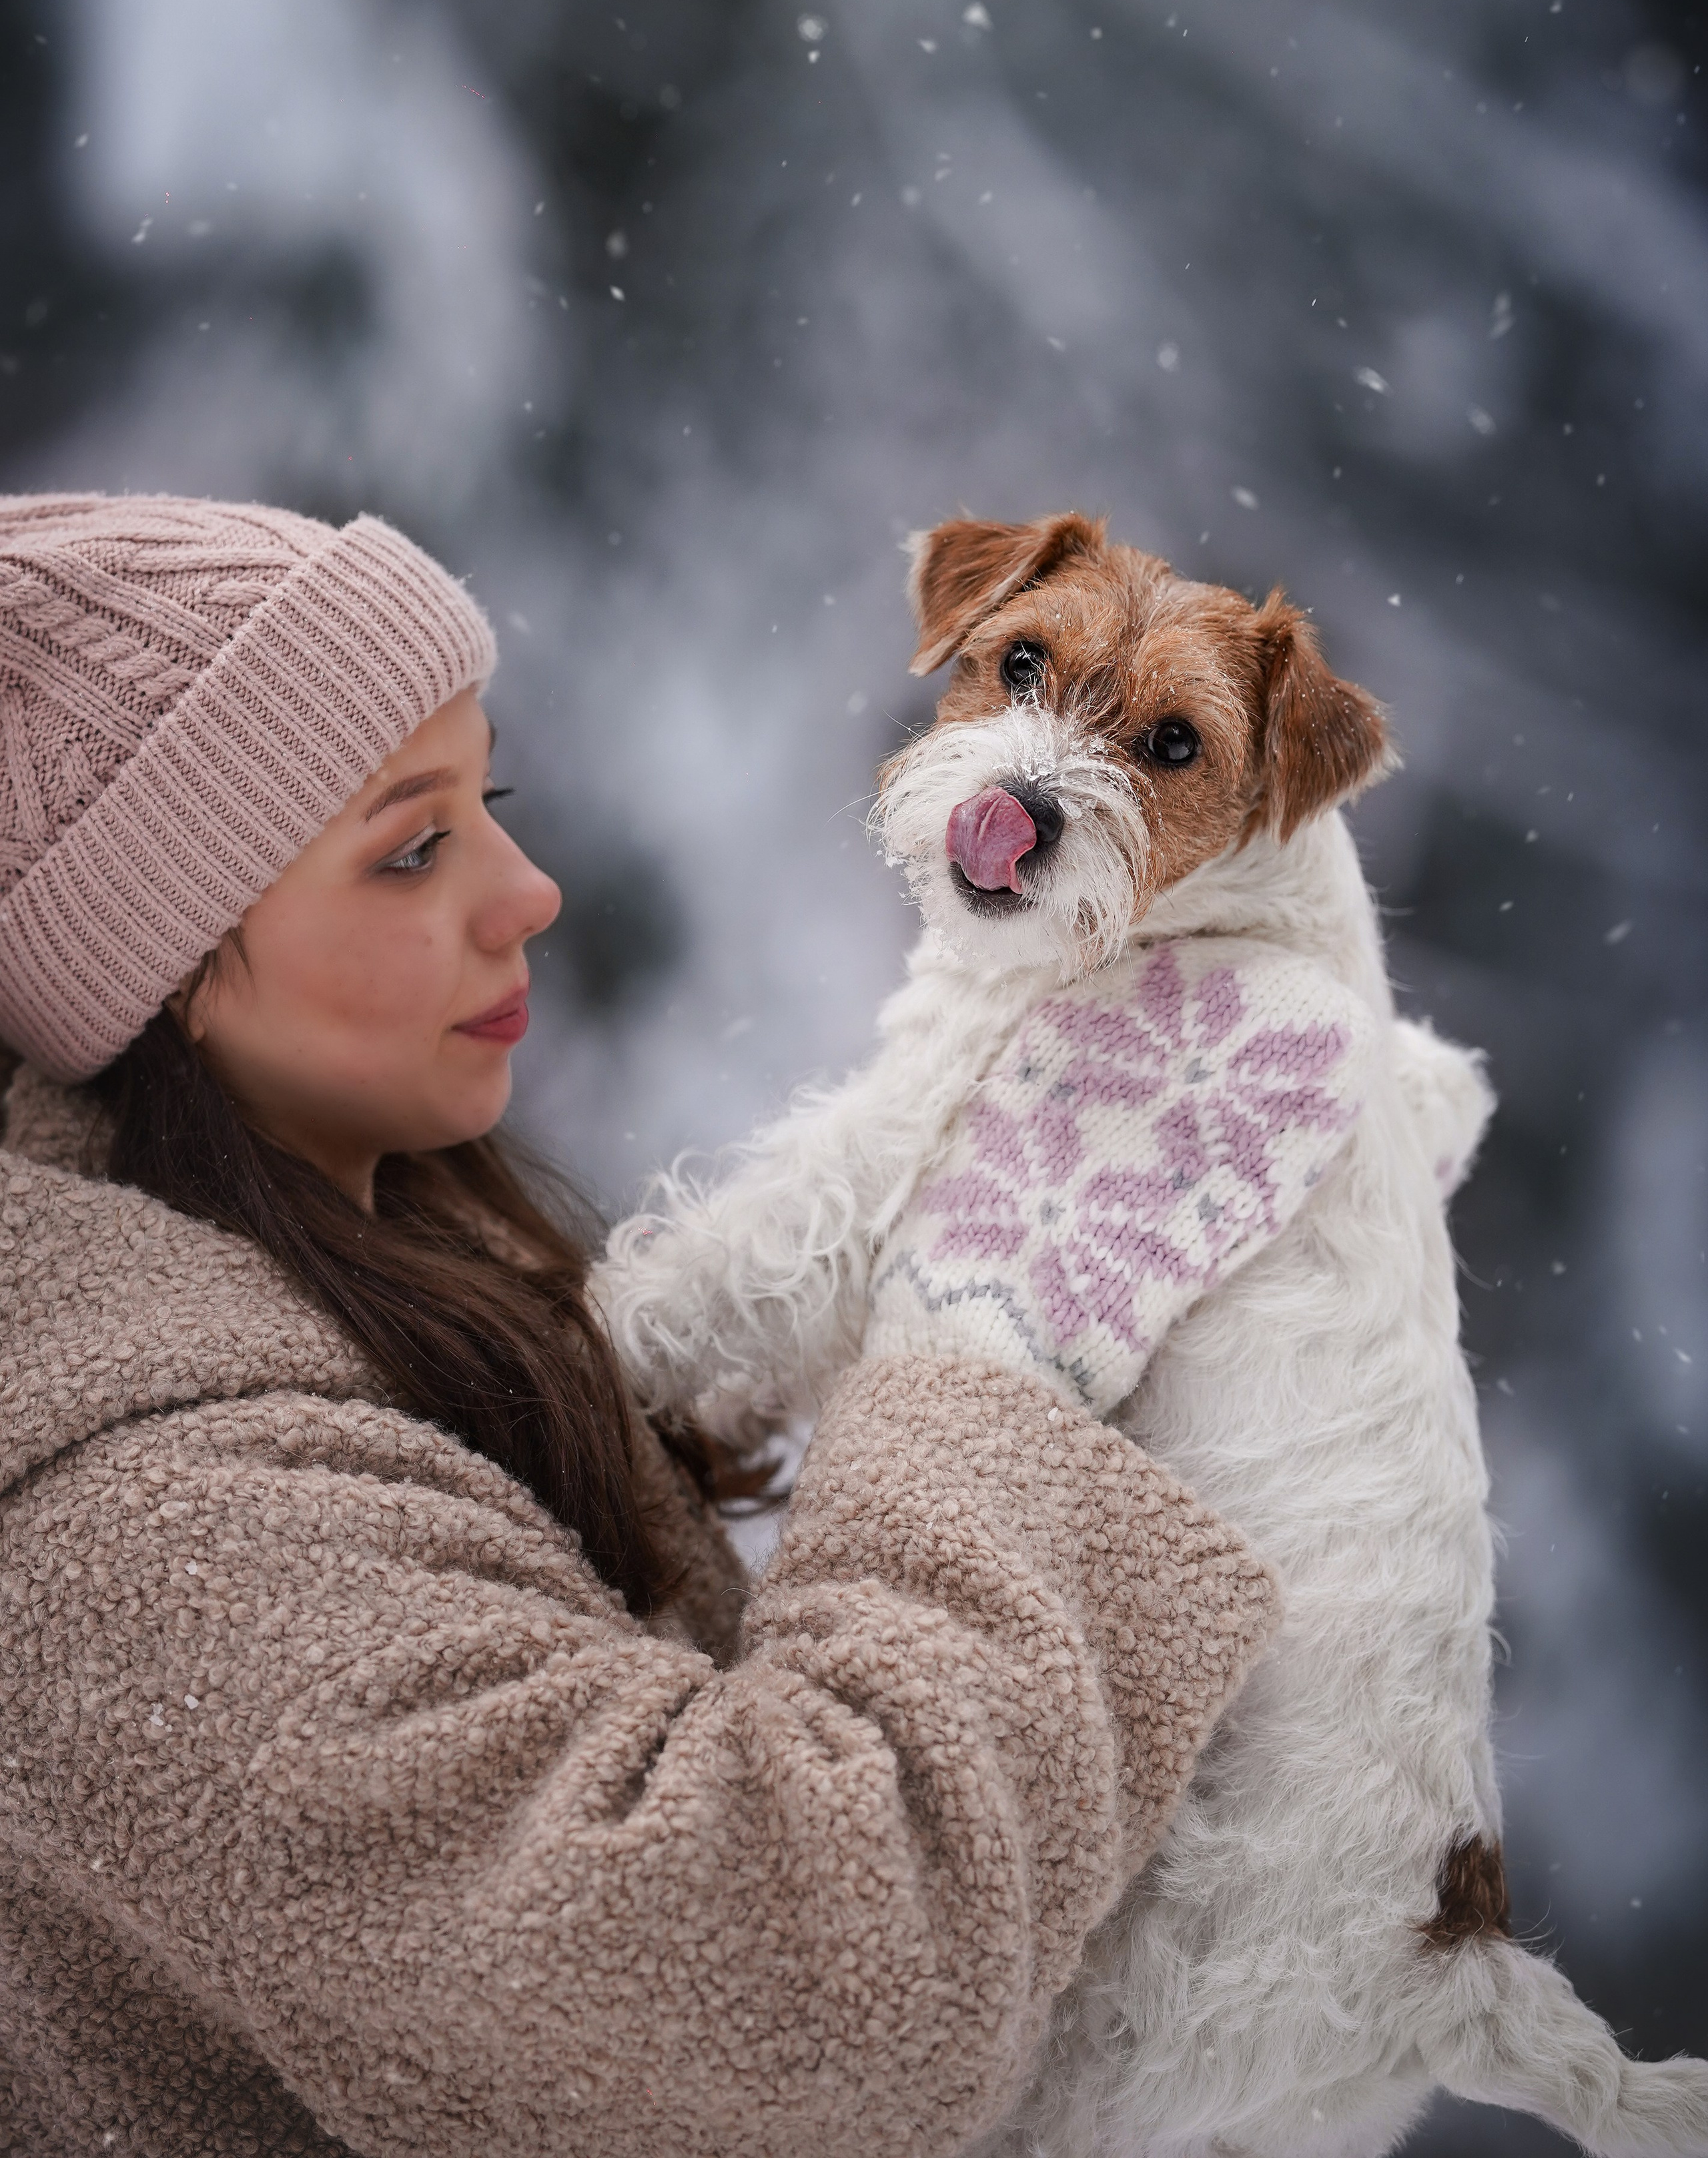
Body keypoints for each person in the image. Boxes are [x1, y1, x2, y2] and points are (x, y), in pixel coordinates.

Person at [0, 493, 1278, 2158]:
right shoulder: (159, 1542)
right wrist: (993, 1332)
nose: (528, 892)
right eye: (411, 848)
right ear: (163, 963)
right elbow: (801, 2010)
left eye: (491, 804)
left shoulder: (369, 1287)